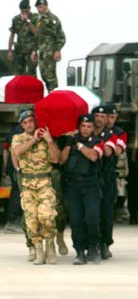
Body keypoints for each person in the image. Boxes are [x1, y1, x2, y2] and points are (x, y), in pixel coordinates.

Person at [11, 109, 59, 265]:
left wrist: (49, 140)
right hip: (27, 185)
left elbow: (56, 159)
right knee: (31, 221)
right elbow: (17, 151)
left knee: (47, 216)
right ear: (22, 125)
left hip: (44, 182)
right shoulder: (18, 138)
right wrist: (33, 140)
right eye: (25, 123)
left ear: (35, 121)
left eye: (31, 121)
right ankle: (38, 250)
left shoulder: (46, 137)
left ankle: (50, 245)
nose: (28, 125)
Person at [60, 114, 104, 265]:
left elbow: (93, 156)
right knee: (76, 220)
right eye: (83, 126)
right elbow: (62, 160)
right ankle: (80, 251)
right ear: (79, 126)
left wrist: (78, 144)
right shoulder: (71, 140)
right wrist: (68, 143)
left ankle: (93, 247)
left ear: (93, 128)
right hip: (73, 185)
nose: (85, 129)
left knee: (92, 218)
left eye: (89, 127)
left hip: (90, 185)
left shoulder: (98, 142)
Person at [92, 105, 119, 260]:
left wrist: (94, 142)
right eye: (97, 116)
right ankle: (92, 244)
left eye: (103, 117)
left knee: (106, 214)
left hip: (106, 178)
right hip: (90, 178)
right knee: (90, 215)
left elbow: (109, 151)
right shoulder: (85, 132)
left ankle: (104, 244)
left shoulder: (111, 134)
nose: (100, 119)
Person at [31, 0, 66, 92]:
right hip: (42, 53)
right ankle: (50, 95)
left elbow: (61, 37)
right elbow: (37, 36)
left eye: (41, 7)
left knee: (51, 76)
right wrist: (34, 50)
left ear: (46, 6)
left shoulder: (52, 19)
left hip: (50, 53)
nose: (39, 9)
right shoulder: (39, 20)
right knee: (44, 75)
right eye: (38, 8)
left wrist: (58, 50)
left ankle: (54, 95)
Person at [7, 0, 38, 76]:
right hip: (19, 51)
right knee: (16, 74)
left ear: (29, 9)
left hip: (31, 51)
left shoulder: (35, 17)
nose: (24, 13)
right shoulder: (16, 19)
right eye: (22, 11)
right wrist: (10, 50)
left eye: (26, 11)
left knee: (31, 74)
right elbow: (12, 35)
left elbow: (36, 32)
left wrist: (28, 20)